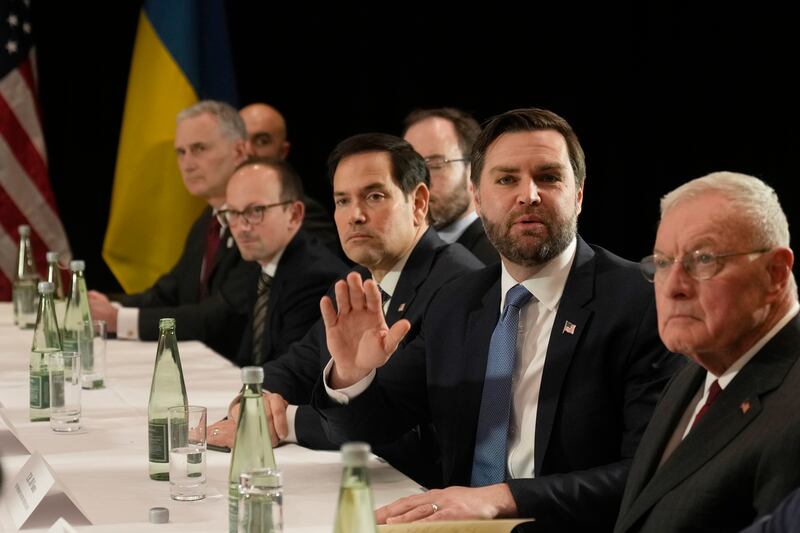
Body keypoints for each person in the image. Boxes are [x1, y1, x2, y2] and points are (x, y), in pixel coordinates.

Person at [313, 108, 681, 531]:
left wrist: (502, 499)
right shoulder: (457, 301)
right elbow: (364, 429)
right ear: (478, 196)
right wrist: (351, 374)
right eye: (506, 179)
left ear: (578, 194)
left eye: (548, 177)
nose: (529, 194)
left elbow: (646, 473)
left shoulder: (638, 302)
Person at [208, 133, 483, 487]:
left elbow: (390, 424)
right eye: (342, 200)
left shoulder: (458, 283)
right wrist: (253, 401)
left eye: (374, 196)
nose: (354, 216)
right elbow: (294, 366)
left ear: (418, 202)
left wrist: (283, 422)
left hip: (422, 492)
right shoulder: (356, 280)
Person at [613, 172, 800, 533]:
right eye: (663, 263)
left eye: (703, 259)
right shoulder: (696, 369)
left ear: (776, 273)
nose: (674, 287)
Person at [89, 100, 256, 358]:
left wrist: (119, 319)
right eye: (181, 152)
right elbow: (168, 293)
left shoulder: (265, 218)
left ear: (239, 151)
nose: (187, 164)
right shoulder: (206, 221)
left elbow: (221, 315)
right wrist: (99, 305)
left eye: (199, 148)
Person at [221, 157, 348, 366]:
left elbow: (290, 370)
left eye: (256, 211)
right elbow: (248, 357)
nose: (241, 227)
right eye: (233, 213)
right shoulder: (262, 264)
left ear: (294, 214)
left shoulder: (315, 278)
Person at [239, 103, 339, 251]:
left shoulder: (306, 214)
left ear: (283, 152)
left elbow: (321, 272)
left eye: (262, 141)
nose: (248, 151)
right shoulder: (212, 218)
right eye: (241, 140)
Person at [403, 107, 498, 265]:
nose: (419, 182)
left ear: (474, 169)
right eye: (411, 167)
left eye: (436, 164)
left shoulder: (500, 257)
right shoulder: (402, 258)